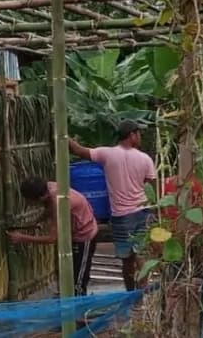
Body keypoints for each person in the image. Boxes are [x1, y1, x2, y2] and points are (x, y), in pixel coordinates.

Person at [68, 120, 156, 291]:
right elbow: (151, 186)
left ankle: (131, 295)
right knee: (142, 255)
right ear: (131, 135)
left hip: (121, 216)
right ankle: (143, 294)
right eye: (138, 134)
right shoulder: (145, 159)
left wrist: (62, 134)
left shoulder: (107, 154)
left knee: (127, 259)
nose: (140, 137)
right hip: (143, 212)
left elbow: (77, 150)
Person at [8, 176, 98, 295]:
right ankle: (70, 303)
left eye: (29, 201)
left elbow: (52, 238)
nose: (28, 203)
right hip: (72, 234)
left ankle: (78, 309)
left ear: (40, 197)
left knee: (78, 280)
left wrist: (22, 238)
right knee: (67, 275)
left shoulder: (59, 203)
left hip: (85, 235)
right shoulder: (49, 188)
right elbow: (48, 207)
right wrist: (36, 221)